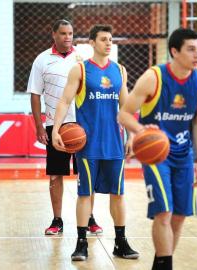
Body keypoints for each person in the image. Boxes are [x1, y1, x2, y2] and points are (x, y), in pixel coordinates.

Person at [118, 28, 197, 270]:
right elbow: (124, 114)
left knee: (180, 215)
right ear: (174, 51)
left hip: (184, 154)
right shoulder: (154, 77)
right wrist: (141, 131)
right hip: (157, 155)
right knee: (164, 213)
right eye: (191, 49)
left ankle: (160, 264)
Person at [52, 24, 139, 261]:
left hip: (114, 144)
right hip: (88, 145)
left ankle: (120, 242)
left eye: (111, 39)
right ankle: (81, 244)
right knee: (85, 194)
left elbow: (127, 107)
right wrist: (56, 130)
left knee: (118, 194)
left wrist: (131, 135)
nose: (108, 43)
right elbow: (64, 101)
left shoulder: (119, 70)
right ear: (92, 43)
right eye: (103, 39)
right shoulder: (80, 69)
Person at [27, 19, 102, 236]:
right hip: (55, 125)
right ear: (54, 34)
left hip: (82, 125)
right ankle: (57, 219)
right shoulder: (42, 60)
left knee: (87, 174)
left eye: (70, 33)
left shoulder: (84, 58)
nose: (67, 37)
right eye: (63, 33)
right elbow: (34, 94)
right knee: (55, 175)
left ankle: (89, 218)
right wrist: (39, 126)